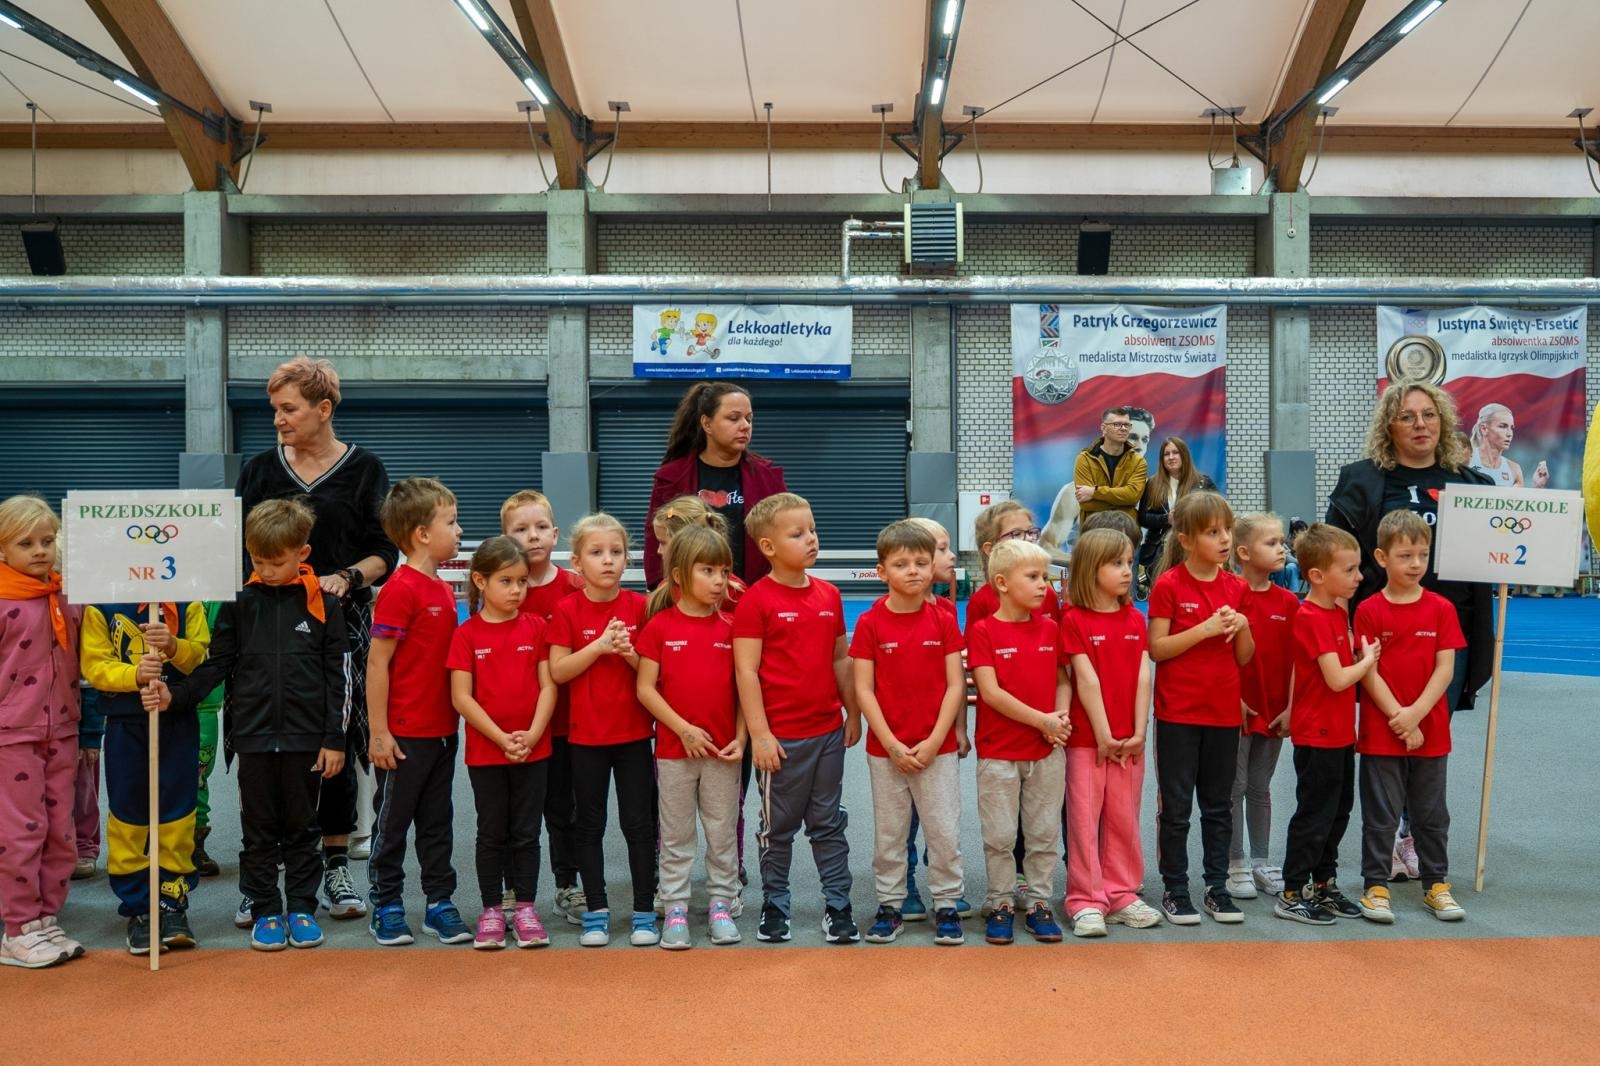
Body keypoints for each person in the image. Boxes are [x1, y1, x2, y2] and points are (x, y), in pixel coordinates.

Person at [144, 499, 350, 952]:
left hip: (306, 740)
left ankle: (300, 906)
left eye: (276, 562)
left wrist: (334, 739)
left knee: (302, 828)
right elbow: (216, 667)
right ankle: (264, 909)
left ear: (303, 553)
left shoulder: (325, 608)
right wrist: (175, 696)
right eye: (258, 561)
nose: (267, 570)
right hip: (254, 738)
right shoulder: (239, 604)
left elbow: (339, 679)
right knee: (258, 831)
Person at [236, 355, 397, 918]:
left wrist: (347, 577)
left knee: (337, 737)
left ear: (323, 409)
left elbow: (387, 549)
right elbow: (238, 548)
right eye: (274, 410)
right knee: (267, 739)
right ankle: (262, 875)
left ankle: (334, 867)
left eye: (289, 409)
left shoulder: (365, 468)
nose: (278, 419)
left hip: (340, 623)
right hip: (266, 626)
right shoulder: (258, 469)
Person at [732, 492, 860, 945]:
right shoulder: (756, 601)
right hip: (781, 740)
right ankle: (775, 904)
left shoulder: (829, 594)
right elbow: (745, 671)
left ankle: (839, 906)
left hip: (826, 732)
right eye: (797, 533)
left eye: (811, 529)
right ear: (768, 547)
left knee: (829, 824)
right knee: (777, 829)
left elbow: (841, 659)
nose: (811, 538)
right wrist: (761, 736)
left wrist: (853, 711)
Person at [1326, 381, 1493, 721]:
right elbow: (1335, 562)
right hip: (1381, 630)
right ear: (1389, 426)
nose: (1420, 424)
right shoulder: (1359, 481)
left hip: (1449, 630)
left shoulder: (1474, 486)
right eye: (1407, 417)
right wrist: (1342, 626)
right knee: (1384, 733)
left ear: (1442, 422)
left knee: (1432, 732)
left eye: (1429, 414)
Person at [851, 521, 966, 947]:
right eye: (901, 564)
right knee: (890, 833)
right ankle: (890, 906)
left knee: (943, 830)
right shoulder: (869, 623)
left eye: (921, 562)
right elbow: (863, 688)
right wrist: (893, 743)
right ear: (883, 572)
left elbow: (955, 684)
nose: (914, 571)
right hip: (887, 751)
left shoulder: (944, 618)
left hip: (939, 748)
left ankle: (948, 904)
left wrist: (937, 740)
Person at [366, 477, 468, 948]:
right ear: (422, 534)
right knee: (392, 824)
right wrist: (380, 732)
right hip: (404, 735)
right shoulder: (399, 589)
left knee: (437, 822)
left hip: (444, 731)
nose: (460, 530)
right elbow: (377, 662)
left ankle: (439, 902)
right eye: (451, 522)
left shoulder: (443, 589)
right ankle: (385, 904)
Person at [546, 514, 655, 948]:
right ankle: (596, 909)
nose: (607, 560)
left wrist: (628, 651)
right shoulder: (567, 609)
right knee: (587, 826)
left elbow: (653, 672)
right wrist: (598, 645)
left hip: (633, 738)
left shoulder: (640, 607)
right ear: (577, 563)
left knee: (639, 826)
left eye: (616, 552)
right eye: (596, 553)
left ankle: (645, 910)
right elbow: (557, 670)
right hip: (585, 739)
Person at [82, 586, 209, 956]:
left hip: (177, 722)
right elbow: (94, 665)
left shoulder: (189, 602)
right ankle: (139, 907)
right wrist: (134, 674)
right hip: (125, 724)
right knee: (129, 815)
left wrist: (172, 647)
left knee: (178, 814)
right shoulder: (100, 604)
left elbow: (200, 657)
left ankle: (172, 902)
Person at [1354, 510, 1467, 924]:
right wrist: (1398, 717)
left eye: (1422, 554)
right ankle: (1375, 886)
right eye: (1405, 555)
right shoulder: (1367, 610)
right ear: (1382, 557)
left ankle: (1436, 884)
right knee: (1380, 814)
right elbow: (1368, 671)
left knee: (1432, 813)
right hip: (1382, 731)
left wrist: (1416, 715)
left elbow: (1446, 669)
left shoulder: (1441, 608)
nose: (1416, 563)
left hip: (1431, 731)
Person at [1147, 490, 1254, 926]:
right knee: (1176, 806)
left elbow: (1244, 657)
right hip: (1177, 714)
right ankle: (1175, 887)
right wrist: (1205, 628)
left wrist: (1243, 626)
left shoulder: (1238, 587)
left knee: (1218, 805)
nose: (1225, 539)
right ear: (1188, 539)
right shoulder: (1170, 584)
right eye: (1213, 532)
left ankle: (1216, 886)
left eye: (1227, 529)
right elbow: (1157, 648)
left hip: (1223, 713)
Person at [637, 525, 745, 950]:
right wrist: (681, 728)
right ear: (679, 575)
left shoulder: (734, 628)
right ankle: (676, 906)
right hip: (673, 752)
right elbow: (645, 688)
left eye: (724, 571)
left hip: (723, 754)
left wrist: (741, 738)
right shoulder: (660, 627)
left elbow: (743, 690)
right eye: (708, 570)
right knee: (676, 833)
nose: (719, 581)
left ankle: (721, 902)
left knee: (722, 832)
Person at [448, 536, 557, 950]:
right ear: (481, 580)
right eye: (506, 582)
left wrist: (531, 734)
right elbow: (462, 697)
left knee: (527, 832)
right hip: (487, 753)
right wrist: (500, 737)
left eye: (522, 582)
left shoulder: (537, 627)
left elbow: (548, 687)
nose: (517, 591)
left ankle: (526, 907)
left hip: (535, 748)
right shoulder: (467, 635)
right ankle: (493, 909)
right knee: (492, 831)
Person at [964, 538, 1070, 945]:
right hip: (1000, 754)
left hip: (1047, 751)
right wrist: (1042, 719)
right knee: (1001, 836)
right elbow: (990, 693)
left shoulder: (1051, 628)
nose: (1045, 585)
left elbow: (1063, 678)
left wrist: (1058, 718)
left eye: (1046, 577)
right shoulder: (984, 631)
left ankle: (1041, 902)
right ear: (1002, 583)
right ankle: (1001, 902)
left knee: (1043, 834)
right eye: (1034, 577)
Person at [1272, 524, 1377, 927]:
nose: (1359, 577)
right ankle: (1292, 891)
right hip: (1317, 735)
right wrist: (1368, 662)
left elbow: (1310, 672)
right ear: (1317, 575)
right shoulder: (1311, 616)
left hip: (1339, 732)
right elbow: (1336, 679)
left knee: (1339, 812)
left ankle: (1325, 882)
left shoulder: (1337, 610)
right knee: (1314, 814)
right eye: (1349, 570)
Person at [1060, 529, 1161, 938]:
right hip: (1089, 741)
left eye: (1129, 562)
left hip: (1129, 743)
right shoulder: (1073, 620)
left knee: (1124, 818)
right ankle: (1084, 899)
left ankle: (1121, 893)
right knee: (1084, 819)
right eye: (1116, 563)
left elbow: (1142, 678)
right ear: (1089, 569)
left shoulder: (1135, 618)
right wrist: (1103, 735)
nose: (1127, 571)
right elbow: (1085, 681)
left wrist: (1138, 732)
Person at [0, 496, 84, 968]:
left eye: (47, 541)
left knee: (60, 832)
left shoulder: (67, 597)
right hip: (11, 732)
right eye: (25, 543)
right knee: (19, 831)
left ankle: (46, 918)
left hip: (63, 729)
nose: (39, 551)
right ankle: (18, 927)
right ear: (2, 549)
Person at [502, 490, 585, 923]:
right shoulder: (502, 591)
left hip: (569, 723)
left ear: (554, 534)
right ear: (506, 537)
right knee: (518, 811)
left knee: (563, 809)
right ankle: (515, 884)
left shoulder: (575, 585)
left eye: (539, 528)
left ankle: (567, 885)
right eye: (520, 529)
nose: (531, 536)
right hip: (518, 726)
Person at [645, 382, 790, 589]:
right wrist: (658, 587)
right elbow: (655, 541)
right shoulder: (672, 478)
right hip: (688, 595)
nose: (745, 426)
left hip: (752, 596)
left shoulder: (769, 479)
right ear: (707, 424)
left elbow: (785, 538)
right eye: (734, 418)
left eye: (749, 419)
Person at [898, 516, 971, 921]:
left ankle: (944, 883)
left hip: (940, 734)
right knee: (902, 817)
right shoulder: (883, 613)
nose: (951, 555)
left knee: (942, 815)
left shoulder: (945, 610)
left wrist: (960, 727)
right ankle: (905, 883)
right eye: (942, 548)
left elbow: (954, 678)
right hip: (900, 736)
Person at [1226, 513, 1297, 901]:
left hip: (1274, 711)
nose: (1282, 548)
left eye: (1281, 540)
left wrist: (1291, 706)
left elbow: (1298, 660)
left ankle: (1260, 860)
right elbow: (1217, 656)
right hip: (1235, 709)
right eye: (1271, 542)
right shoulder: (1228, 595)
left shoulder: (1288, 601)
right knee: (1233, 786)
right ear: (1243, 552)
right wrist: (1231, 699)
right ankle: (1235, 862)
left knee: (1261, 787)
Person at [1138, 437, 1217, 591]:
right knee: (1164, 594)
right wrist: (1165, 519)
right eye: (1166, 454)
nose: (1171, 457)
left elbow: (1217, 514)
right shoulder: (1152, 484)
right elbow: (1143, 518)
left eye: (1176, 453)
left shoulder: (1203, 482)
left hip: (1196, 548)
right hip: (1160, 552)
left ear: (1184, 455)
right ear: (1162, 459)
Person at [650, 495, 748, 611]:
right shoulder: (666, 590)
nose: (659, 550)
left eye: (663, 542)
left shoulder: (734, 593)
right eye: (708, 571)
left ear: (684, 542)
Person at [972, 500, 1062, 625]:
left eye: (1031, 532)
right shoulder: (981, 601)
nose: (1029, 538)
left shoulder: (1047, 594)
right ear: (990, 549)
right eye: (1017, 534)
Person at [1072, 407, 1149, 529]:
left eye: (1127, 425)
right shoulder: (1085, 459)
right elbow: (1087, 504)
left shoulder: (1138, 461)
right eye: (1117, 424)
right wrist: (1121, 501)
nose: (1123, 429)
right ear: (1103, 428)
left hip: (1127, 532)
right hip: (1094, 533)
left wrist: (1094, 492)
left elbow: (1132, 497)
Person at [1468, 403, 1548, 488]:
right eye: (1502, 426)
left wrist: (1538, 486)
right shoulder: (1466, 460)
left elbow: (1516, 501)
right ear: (1484, 429)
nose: (1509, 434)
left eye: (1511, 428)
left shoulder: (1514, 470)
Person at [71, 686, 103, 881]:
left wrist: (91, 732)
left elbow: (89, 682)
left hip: (77, 722)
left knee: (83, 788)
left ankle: (83, 844)